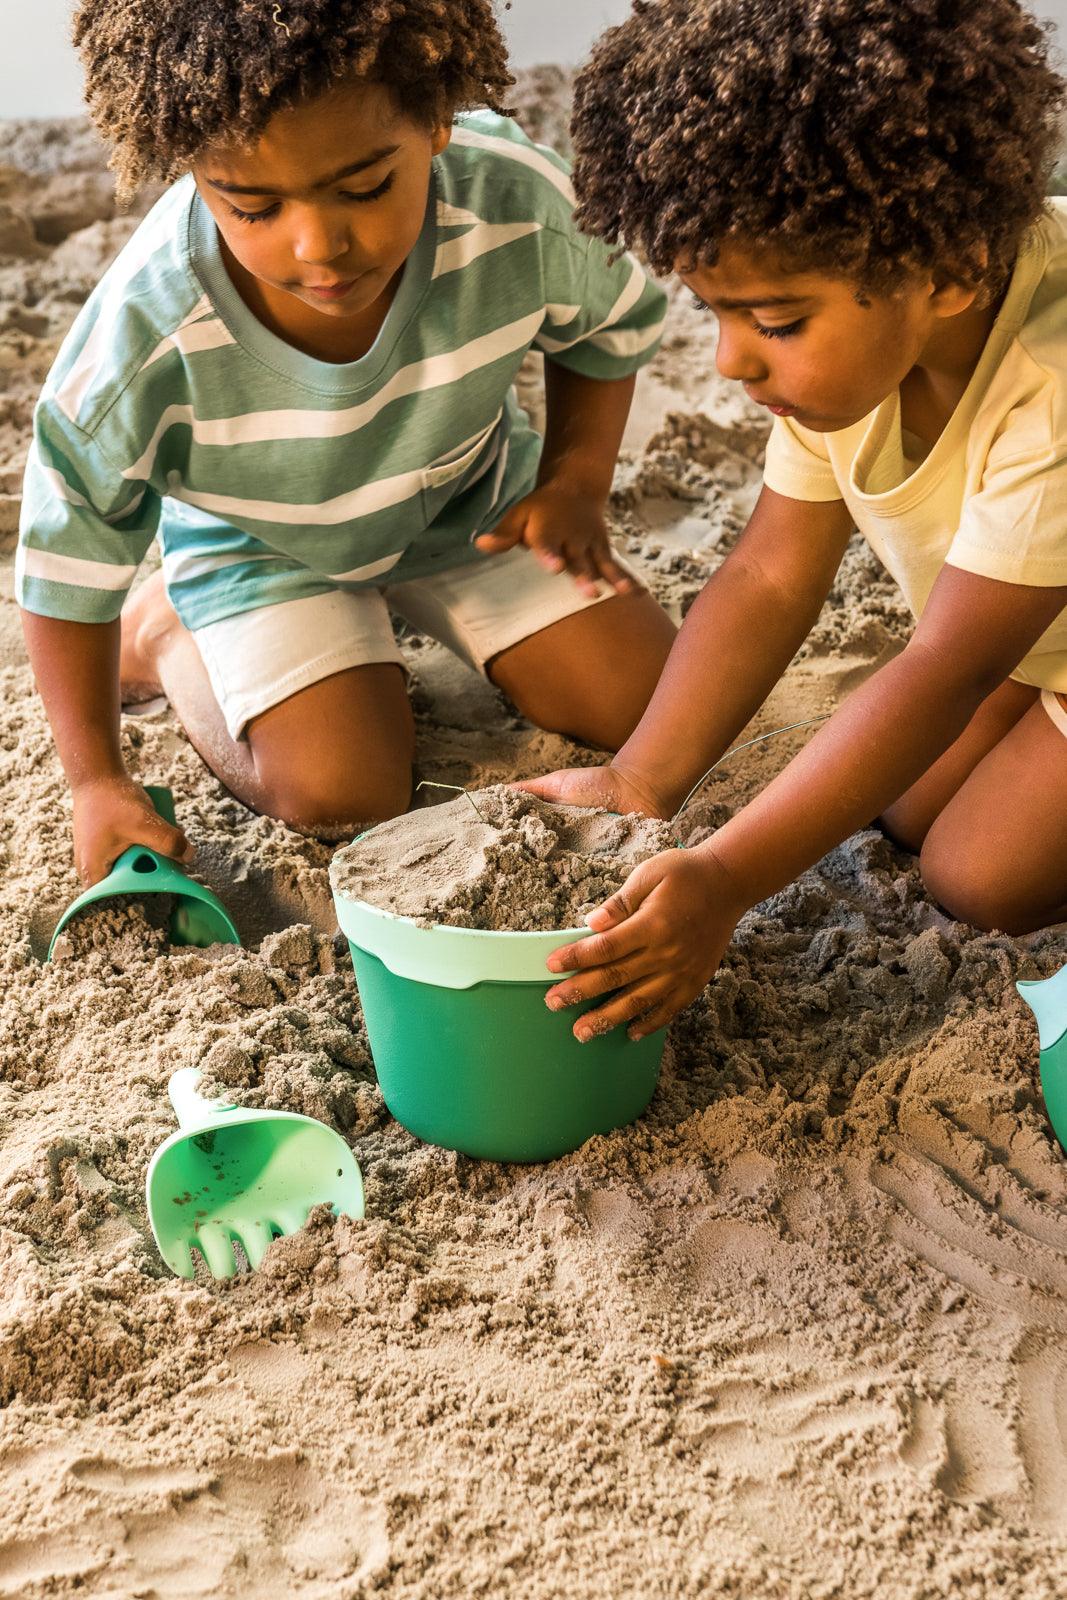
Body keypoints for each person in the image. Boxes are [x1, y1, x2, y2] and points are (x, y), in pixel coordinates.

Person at [18, 0, 675, 885]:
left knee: (646, 700)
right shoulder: (144, 338)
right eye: (252, 206)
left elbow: (608, 327)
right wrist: (96, 779)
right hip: (265, 545)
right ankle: (170, 628)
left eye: (365, 187)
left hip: (470, 500)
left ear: (436, 121)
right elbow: (66, 559)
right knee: (341, 791)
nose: (319, 246)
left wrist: (574, 482)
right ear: (192, 173)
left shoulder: (518, 200)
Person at [523, 0, 1067, 1043]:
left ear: (948, 272)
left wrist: (725, 877)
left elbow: (942, 666)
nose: (730, 361)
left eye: (772, 321)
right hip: (1018, 623)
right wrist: (643, 775)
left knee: (973, 874)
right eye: (713, 314)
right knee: (901, 810)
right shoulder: (854, 350)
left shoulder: (1049, 387)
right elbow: (772, 572)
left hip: (987, 638)